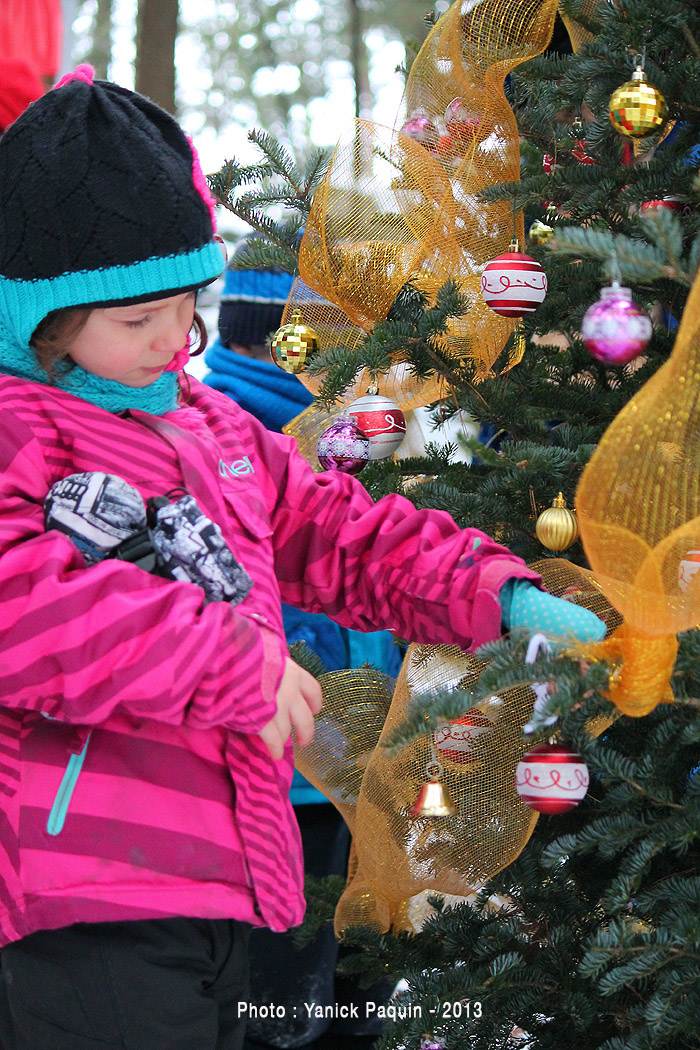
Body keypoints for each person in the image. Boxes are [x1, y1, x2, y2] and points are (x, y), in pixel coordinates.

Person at [0, 65, 605, 1050]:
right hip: (89, 889)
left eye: (184, 305)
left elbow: (341, 534)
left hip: (233, 880)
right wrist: (226, 662)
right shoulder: (23, 432)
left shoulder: (216, 431)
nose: (171, 339)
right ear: (43, 316)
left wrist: (497, 591)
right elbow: (25, 608)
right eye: (133, 320)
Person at [205, 253, 400, 1049]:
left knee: (363, 998)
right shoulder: (224, 434)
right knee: (281, 1011)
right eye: (334, 336)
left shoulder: (356, 439)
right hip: (283, 792)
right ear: (278, 340)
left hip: (371, 776)